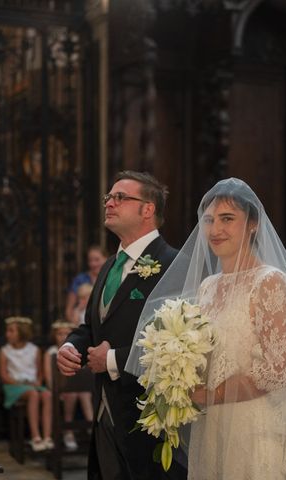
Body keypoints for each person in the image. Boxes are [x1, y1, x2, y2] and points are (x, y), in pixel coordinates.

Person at [126, 178, 286, 479]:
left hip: (255, 429)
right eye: (209, 220)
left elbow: (279, 371)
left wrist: (212, 394)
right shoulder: (207, 287)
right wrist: (177, 373)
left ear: (253, 224)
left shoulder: (270, 282)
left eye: (227, 219)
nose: (215, 230)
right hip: (211, 428)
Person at [57, 171, 183, 479]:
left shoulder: (172, 265)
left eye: (120, 197)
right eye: (108, 198)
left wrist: (111, 359)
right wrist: (71, 345)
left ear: (148, 209)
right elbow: (92, 326)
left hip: (146, 420)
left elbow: (177, 347)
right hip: (104, 413)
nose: (109, 203)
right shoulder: (110, 267)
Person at [0, 316, 52, 452]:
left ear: (22, 332)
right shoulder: (5, 351)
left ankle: (47, 436)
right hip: (14, 386)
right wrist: (20, 383)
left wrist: (38, 382)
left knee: (47, 394)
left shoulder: (34, 350)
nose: (7, 334)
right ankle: (35, 437)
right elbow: (4, 375)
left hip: (32, 385)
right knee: (33, 394)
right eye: (7, 331)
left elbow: (39, 373)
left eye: (11, 331)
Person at [44, 320, 93, 450]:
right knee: (71, 394)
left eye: (67, 333)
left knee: (84, 393)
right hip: (60, 388)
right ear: (54, 335)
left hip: (78, 387)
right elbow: (48, 376)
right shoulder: (51, 352)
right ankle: (68, 431)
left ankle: (92, 426)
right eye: (60, 334)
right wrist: (55, 390)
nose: (63, 336)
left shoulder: (77, 349)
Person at [65, 246, 108, 324]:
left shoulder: (111, 278)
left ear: (106, 259)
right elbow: (69, 310)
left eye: (97, 260)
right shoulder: (80, 279)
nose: (93, 264)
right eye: (90, 260)